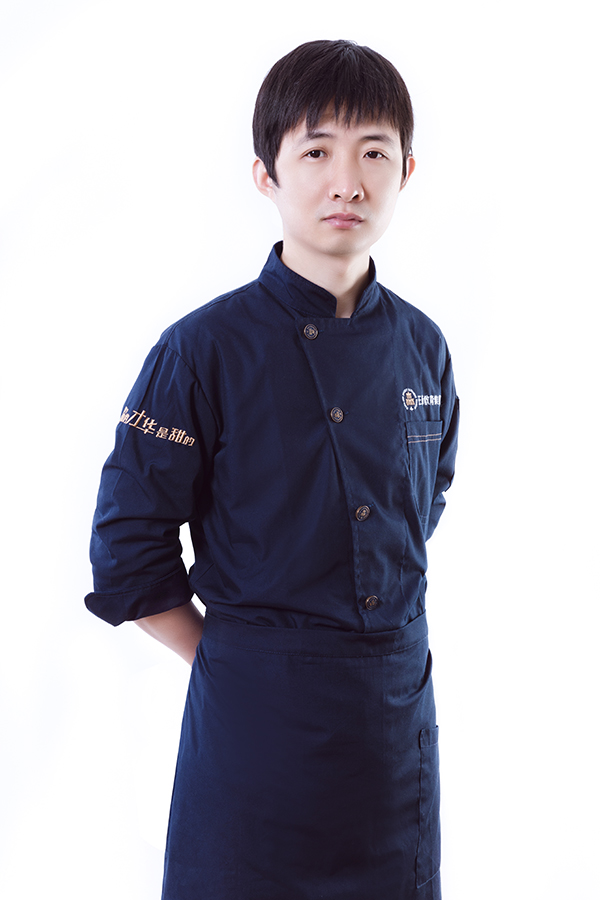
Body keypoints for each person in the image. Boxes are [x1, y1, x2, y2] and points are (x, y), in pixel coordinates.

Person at [86, 39, 459, 900]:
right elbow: (128, 549)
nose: (347, 182)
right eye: (317, 152)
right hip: (254, 734)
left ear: (407, 170)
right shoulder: (201, 350)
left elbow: (426, 497)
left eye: (373, 153)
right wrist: (240, 659)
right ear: (266, 174)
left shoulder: (424, 346)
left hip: (395, 732)